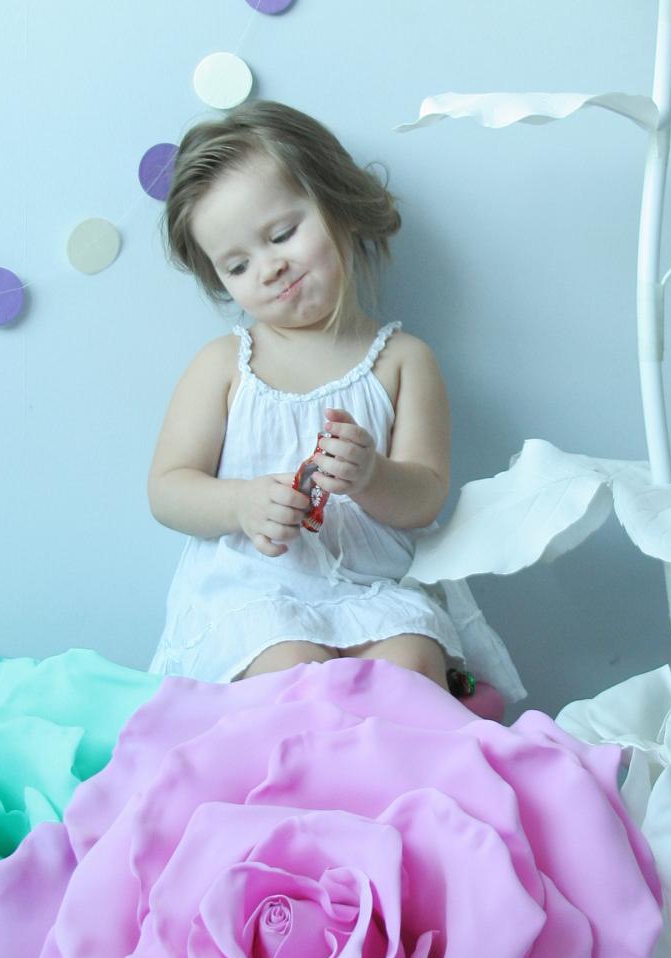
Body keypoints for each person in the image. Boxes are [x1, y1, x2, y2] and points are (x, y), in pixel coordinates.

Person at [147, 101, 523, 701]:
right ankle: (302, 758)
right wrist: (241, 502)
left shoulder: (403, 361)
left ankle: (385, 754)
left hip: (372, 591)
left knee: (411, 665)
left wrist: (372, 475)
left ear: (338, 204)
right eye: (238, 266)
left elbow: (425, 496)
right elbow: (167, 490)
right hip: (258, 590)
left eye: (282, 235)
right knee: (290, 668)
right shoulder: (224, 366)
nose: (269, 268)